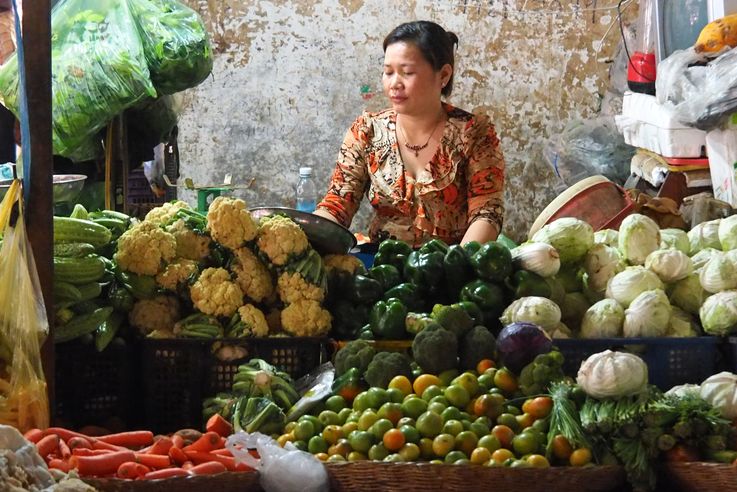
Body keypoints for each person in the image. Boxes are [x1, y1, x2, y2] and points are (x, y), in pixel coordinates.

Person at [315, 20, 505, 246]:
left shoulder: (473, 134)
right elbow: (337, 205)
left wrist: (456, 266)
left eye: (407, 72)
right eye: (388, 72)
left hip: (451, 268)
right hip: (383, 268)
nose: (394, 83)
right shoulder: (367, 131)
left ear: (443, 75)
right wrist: (303, 234)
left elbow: (487, 213)